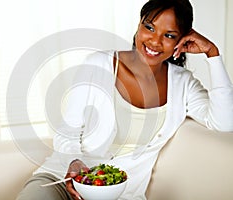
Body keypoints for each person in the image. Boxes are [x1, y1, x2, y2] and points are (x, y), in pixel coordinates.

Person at [16, 0, 233, 199]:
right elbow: (67, 132)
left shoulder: (183, 84)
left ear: (182, 39)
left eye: (169, 35)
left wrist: (212, 54)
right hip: (63, 180)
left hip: (121, 195)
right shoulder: (98, 64)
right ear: (139, 24)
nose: (155, 41)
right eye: (149, 27)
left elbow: (224, 121)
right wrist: (74, 163)